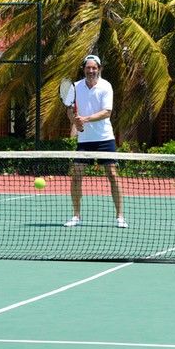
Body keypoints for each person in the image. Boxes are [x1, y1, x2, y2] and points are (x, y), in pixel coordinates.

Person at [63, 54, 127, 229]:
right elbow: (69, 110)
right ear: (84, 69)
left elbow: (107, 112)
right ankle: (76, 216)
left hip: (105, 138)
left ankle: (120, 216)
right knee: (76, 176)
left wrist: (85, 119)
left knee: (113, 176)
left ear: (99, 69)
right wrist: (74, 120)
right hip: (84, 141)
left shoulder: (106, 86)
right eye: (88, 68)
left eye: (94, 68)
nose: (91, 71)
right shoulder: (75, 87)